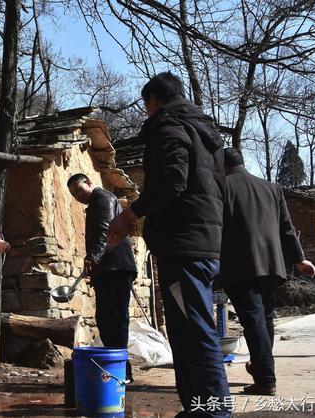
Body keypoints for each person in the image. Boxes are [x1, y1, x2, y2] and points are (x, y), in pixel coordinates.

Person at [107, 72, 230, 417]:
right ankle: (197, 408)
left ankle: (216, 411)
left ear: (154, 101)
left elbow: (173, 180)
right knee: (187, 329)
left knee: (195, 330)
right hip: (203, 240)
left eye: (146, 106)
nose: (147, 113)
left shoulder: (169, 126)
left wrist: (130, 214)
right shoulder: (204, 133)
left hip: (184, 244)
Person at [217, 147, 315, 395]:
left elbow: (215, 228)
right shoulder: (271, 188)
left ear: (223, 165)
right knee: (265, 319)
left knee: (254, 320)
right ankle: (260, 367)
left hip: (241, 266)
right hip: (273, 265)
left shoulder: (222, 187)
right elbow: (287, 228)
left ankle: (265, 378)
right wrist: (300, 259)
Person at [67, 173, 138, 382]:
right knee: (107, 321)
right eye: (73, 194)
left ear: (89, 183)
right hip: (109, 269)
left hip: (115, 268)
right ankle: (120, 371)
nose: (77, 196)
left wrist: (93, 257)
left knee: (114, 321)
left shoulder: (103, 198)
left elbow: (105, 230)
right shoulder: (98, 201)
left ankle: (121, 372)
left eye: (79, 190)